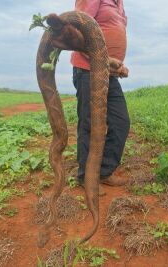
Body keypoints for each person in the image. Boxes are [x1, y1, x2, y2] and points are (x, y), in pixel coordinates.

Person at [71, 0, 130, 194]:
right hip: (87, 70)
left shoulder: (119, 3)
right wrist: (106, 59)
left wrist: (118, 65)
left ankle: (104, 171)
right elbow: (76, 31)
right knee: (89, 122)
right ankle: (85, 177)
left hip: (109, 73)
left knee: (121, 121)